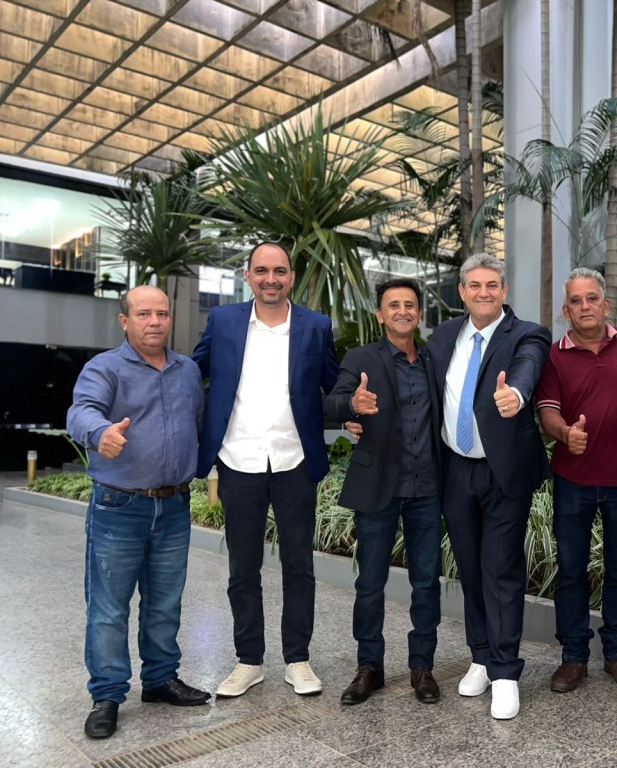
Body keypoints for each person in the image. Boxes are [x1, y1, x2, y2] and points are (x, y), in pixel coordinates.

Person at [193, 241, 339, 699]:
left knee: (299, 566)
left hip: (295, 460)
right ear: (248, 276)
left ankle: (298, 660)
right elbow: (192, 373)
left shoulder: (315, 326)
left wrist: (355, 409)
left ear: (291, 277)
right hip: (239, 460)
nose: (270, 279)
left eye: (279, 271)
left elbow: (335, 385)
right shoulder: (224, 321)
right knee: (243, 568)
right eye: (261, 271)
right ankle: (249, 661)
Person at [67, 286, 209, 740]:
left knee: (166, 601)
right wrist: (100, 433)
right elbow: (81, 411)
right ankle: (107, 695)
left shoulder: (188, 371)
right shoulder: (105, 367)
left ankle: (160, 679)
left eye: (162, 314)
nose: (154, 322)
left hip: (174, 505)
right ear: (124, 321)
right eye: (144, 314)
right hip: (119, 506)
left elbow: (198, 423)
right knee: (109, 608)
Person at [427, 253, 551, 720]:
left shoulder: (527, 334)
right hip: (454, 468)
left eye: (492, 285)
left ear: (504, 290)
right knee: (470, 568)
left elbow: (529, 366)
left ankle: (504, 673)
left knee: (501, 570)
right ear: (462, 291)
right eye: (475, 285)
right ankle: (480, 656)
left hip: (503, 471)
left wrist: (515, 393)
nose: (484, 293)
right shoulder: (443, 336)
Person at [324, 278, 443, 706]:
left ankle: (422, 666)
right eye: (393, 305)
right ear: (380, 315)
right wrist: (350, 407)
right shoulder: (361, 357)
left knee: (426, 582)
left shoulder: (433, 360)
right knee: (370, 583)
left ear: (419, 314)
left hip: (427, 486)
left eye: (410, 305)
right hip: (378, 486)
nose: (402, 311)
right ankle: (369, 667)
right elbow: (330, 403)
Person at [535, 268, 617, 692]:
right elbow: (547, 411)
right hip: (573, 479)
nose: (585, 306)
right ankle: (574, 656)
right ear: (566, 311)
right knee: (571, 570)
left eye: (592, 298)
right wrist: (565, 433)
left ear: (606, 305)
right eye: (575, 301)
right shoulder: (554, 356)